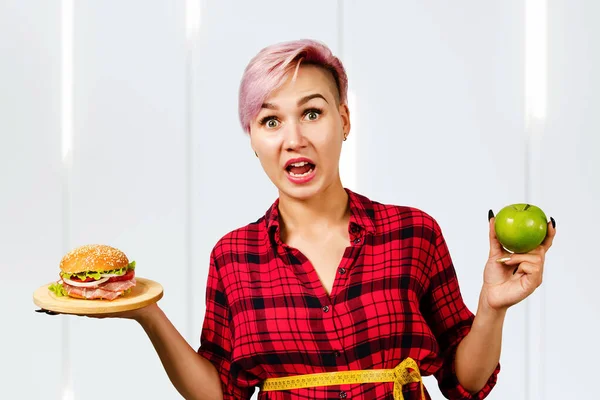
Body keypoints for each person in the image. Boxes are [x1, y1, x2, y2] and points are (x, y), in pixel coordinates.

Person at [45, 39, 556, 400]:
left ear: (345, 120)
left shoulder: (413, 233)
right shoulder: (234, 257)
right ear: (253, 139)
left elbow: (464, 383)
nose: (294, 138)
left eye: (312, 112)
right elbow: (221, 392)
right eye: (270, 120)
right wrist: (146, 313)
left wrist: (493, 307)